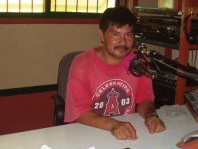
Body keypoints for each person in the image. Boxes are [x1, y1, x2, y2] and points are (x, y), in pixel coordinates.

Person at [64, 6, 166, 140]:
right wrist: (113, 125)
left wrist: (150, 115)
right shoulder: (82, 63)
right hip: (88, 132)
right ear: (102, 35)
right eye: (115, 34)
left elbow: (144, 99)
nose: (123, 42)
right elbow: (80, 113)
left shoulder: (137, 61)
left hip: (125, 131)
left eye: (128, 35)